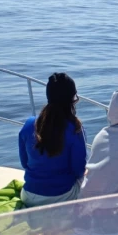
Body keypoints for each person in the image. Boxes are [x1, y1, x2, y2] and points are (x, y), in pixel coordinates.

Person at [18, 72, 87, 207]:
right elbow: (78, 170)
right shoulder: (75, 129)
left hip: (29, 195)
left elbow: (24, 163)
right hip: (62, 197)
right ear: (72, 99)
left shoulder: (28, 124)